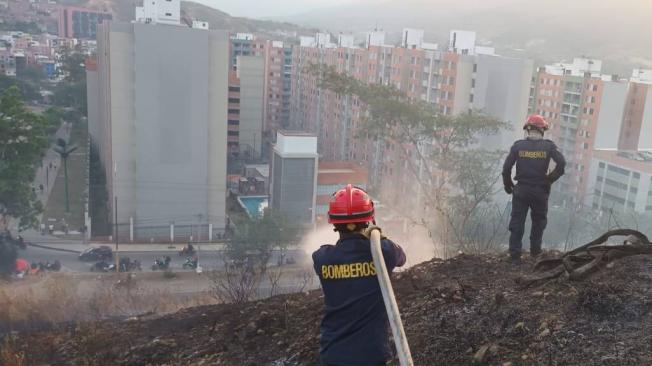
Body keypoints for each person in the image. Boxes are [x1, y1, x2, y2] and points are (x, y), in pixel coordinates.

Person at [312, 184, 406, 366]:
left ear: (334, 223)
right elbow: (401, 257)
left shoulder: (322, 258)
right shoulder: (384, 253)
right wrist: (378, 237)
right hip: (372, 355)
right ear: (369, 219)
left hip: (333, 354)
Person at [502, 114, 566, 262]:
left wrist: (508, 184)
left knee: (517, 222)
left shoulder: (518, 146)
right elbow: (561, 164)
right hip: (540, 191)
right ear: (542, 130)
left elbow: (506, 168)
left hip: (521, 191)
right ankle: (535, 252)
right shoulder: (549, 147)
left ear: (528, 129)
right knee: (538, 222)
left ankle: (514, 256)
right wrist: (549, 179)